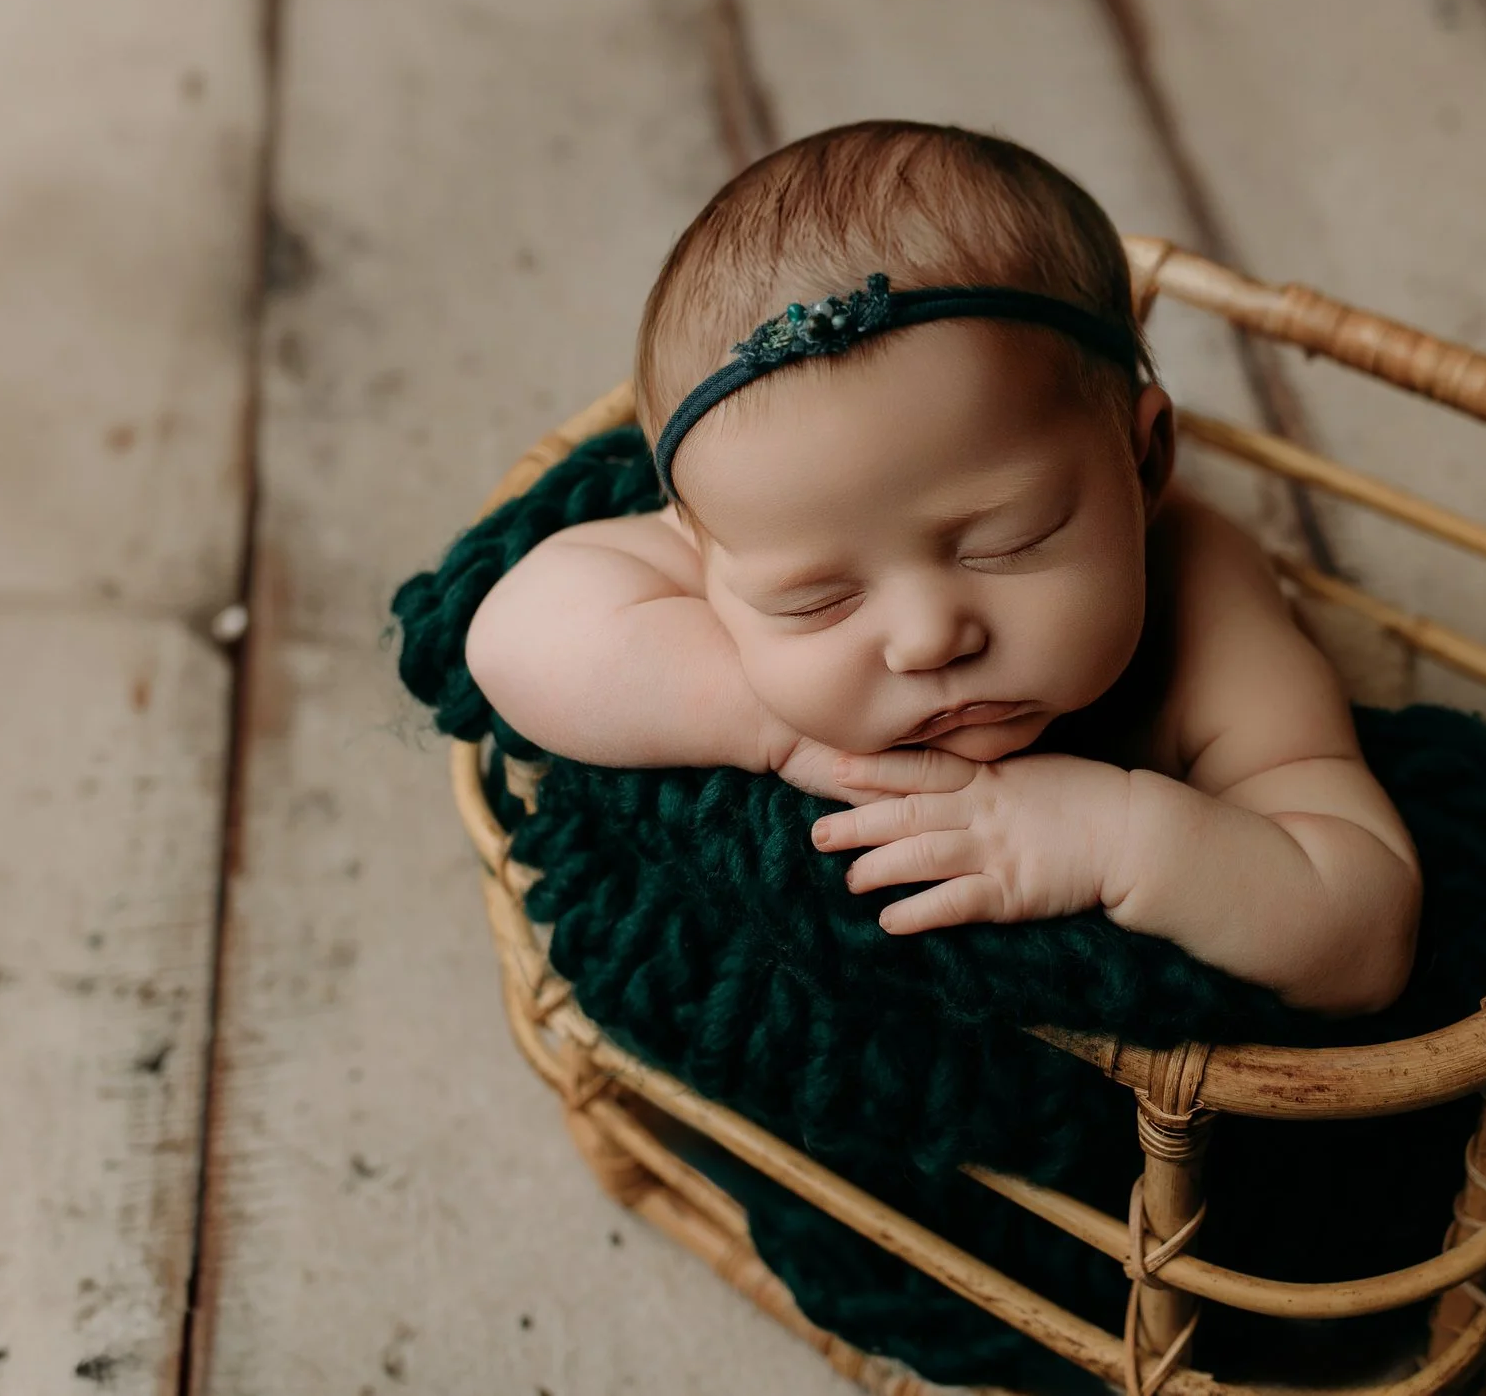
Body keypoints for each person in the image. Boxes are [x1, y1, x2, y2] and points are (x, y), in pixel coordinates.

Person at [466, 121, 1418, 1016]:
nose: (929, 637)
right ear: (700, 546)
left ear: (1145, 463)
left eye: (1005, 543)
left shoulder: (1205, 596)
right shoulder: (751, 531)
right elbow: (513, 637)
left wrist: (1119, 838)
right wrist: (778, 728)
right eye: (817, 600)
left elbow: (1366, 929)